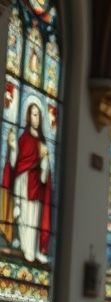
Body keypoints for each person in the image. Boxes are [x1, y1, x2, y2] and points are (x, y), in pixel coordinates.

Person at [2, 101, 52, 264]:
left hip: (37, 187)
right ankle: (25, 248)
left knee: (35, 218)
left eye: (38, 114)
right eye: (33, 114)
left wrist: (45, 160)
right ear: (28, 116)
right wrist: (13, 147)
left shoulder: (42, 142)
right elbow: (16, 164)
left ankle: (34, 249)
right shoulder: (24, 138)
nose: (36, 117)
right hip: (23, 184)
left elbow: (46, 175)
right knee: (24, 217)